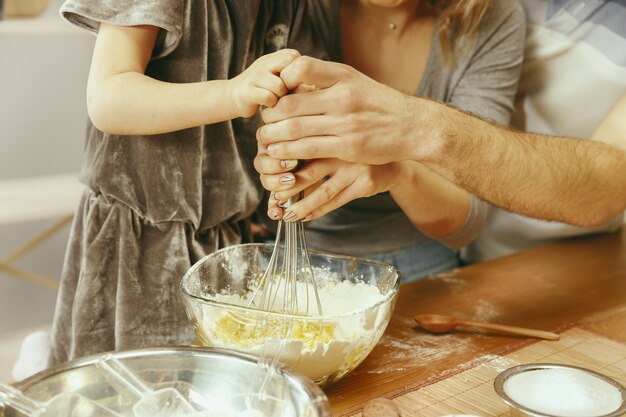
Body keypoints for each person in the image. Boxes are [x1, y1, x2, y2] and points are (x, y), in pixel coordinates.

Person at [49, 0, 323, 366]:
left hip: (230, 245)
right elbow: (108, 98)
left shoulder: (290, 6)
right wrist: (233, 93)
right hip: (136, 250)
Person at [255, 28, 626, 237]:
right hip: (284, 244)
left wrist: (411, 136)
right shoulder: (292, 13)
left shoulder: (488, 20)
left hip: (531, 251)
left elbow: (611, 185)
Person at [256, 0, 526, 281]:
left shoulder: (486, 15)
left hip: (419, 262)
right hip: (287, 253)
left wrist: (397, 169)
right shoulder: (290, 8)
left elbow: (464, 221)